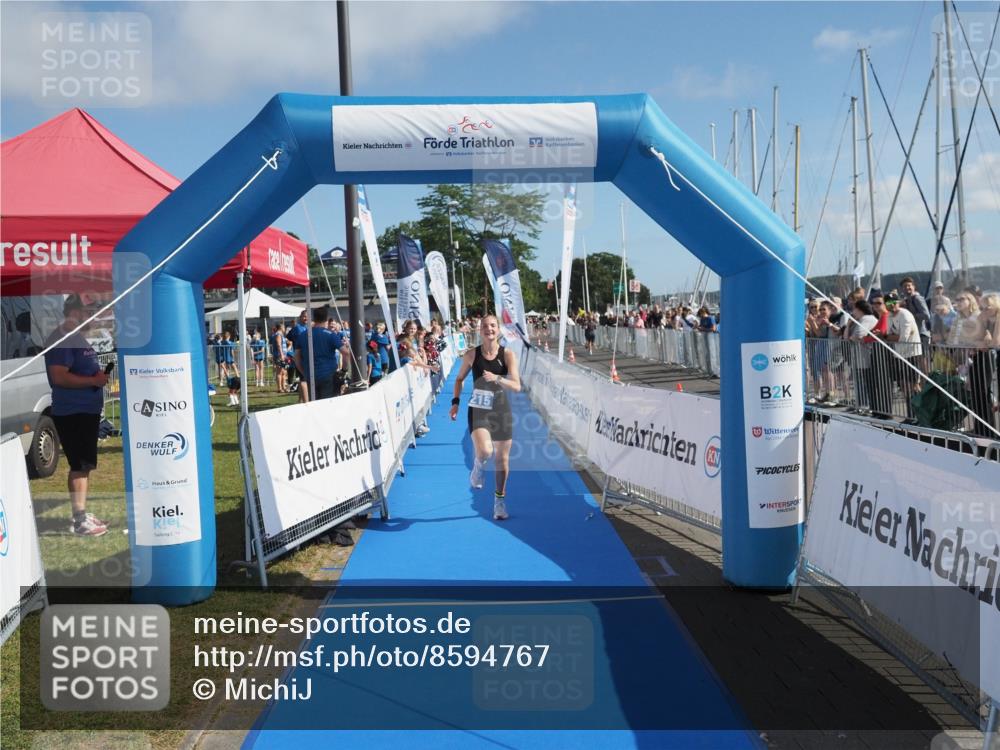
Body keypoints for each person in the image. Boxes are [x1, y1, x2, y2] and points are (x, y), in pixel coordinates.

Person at [43, 294, 109, 537]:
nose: (93, 316)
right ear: (76, 311)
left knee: (84, 465)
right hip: (73, 412)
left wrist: (95, 377)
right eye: (89, 312)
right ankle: (79, 519)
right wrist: (93, 380)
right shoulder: (63, 338)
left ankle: (81, 513)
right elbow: (59, 376)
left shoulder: (76, 336)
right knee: (80, 465)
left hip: (84, 410)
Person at [449, 315, 522, 521]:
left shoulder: (507, 354)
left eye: (492, 326)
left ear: (498, 329)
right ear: (479, 330)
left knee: (502, 459)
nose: (489, 329)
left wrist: (498, 378)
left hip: (500, 408)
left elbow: (516, 386)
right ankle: (478, 466)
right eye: (485, 326)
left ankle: (499, 501)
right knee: (485, 450)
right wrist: (455, 402)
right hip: (479, 408)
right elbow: (459, 379)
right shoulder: (472, 354)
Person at [293, 306, 351, 401]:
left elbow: (297, 358)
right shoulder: (331, 335)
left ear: (313, 318)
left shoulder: (303, 335)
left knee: (315, 405)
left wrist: (305, 373)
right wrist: (344, 370)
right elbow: (346, 353)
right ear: (326, 319)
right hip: (328, 375)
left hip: (311, 376)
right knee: (328, 404)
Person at [884, 291, 922, 419]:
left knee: (914, 386)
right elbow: (890, 335)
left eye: (894, 302)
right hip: (899, 354)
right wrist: (888, 336)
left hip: (912, 353)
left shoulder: (905, 314)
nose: (892, 305)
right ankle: (911, 415)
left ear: (899, 302)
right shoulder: (889, 316)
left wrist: (885, 336)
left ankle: (920, 414)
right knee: (904, 386)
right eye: (889, 303)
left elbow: (903, 338)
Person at [287, 310, 310, 402]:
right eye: (304, 316)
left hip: (308, 356)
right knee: (303, 378)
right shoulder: (297, 328)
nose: (306, 318)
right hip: (301, 356)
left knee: (304, 378)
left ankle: (300, 400)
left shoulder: (310, 327)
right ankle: (305, 401)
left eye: (307, 316)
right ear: (300, 317)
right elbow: (288, 337)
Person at [270, 323, 288, 393]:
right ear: (281, 327)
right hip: (279, 355)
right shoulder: (278, 334)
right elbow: (278, 344)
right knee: (279, 372)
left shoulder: (281, 335)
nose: (284, 328)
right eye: (284, 327)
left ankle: (283, 387)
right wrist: (281, 354)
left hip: (282, 355)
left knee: (283, 372)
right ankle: (279, 388)